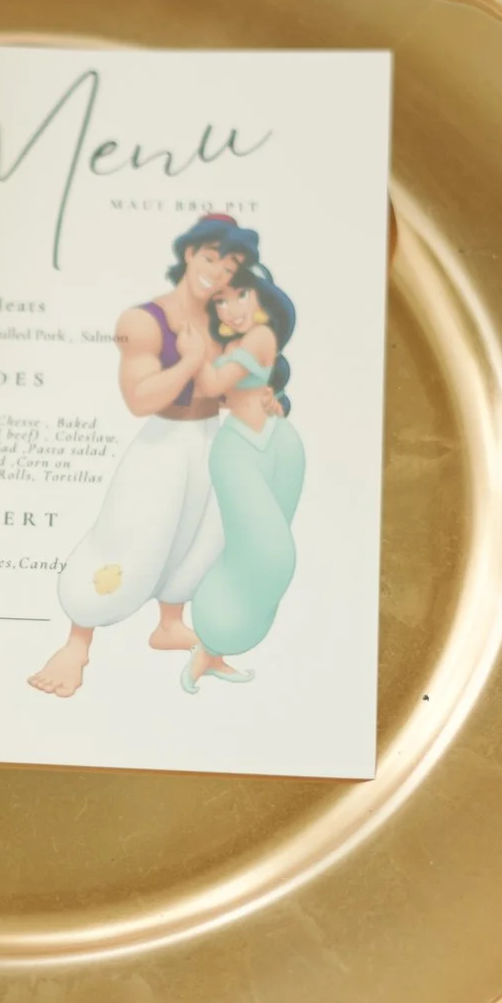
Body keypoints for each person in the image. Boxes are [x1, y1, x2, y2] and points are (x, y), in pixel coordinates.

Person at [27, 214, 255, 698]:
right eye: (211, 256)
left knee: (196, 538)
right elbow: (139, 399)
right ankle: (76, 642)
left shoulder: (226, 320)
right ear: (189, 253)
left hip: (209, 441)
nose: (219, 271)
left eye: (231, 263)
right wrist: (192, 361)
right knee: (129, 534)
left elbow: (224, 389)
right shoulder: (143, 320)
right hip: (163, 444)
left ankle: (169, 624)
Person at [181, 262, 304, 690]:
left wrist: (196, 349)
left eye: (241, 296)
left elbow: (215, 382)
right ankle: (214, 641)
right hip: (240, 445)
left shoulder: (257, 337)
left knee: (266, 555)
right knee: (271, 555)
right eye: (221, 301)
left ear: (260, 299)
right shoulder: (236, 341)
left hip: (277, 439)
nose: (231, 309)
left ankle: (214, 648)